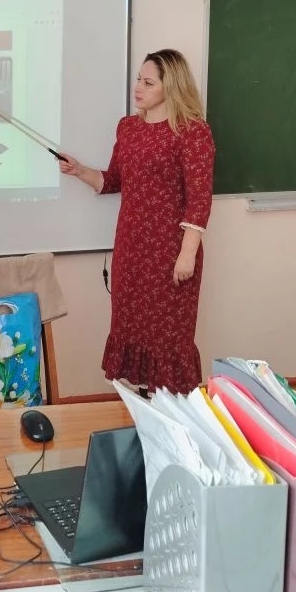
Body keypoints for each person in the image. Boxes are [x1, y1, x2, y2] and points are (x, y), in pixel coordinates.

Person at [60, 49, 215, 396]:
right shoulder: (128, 128)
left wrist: (187, 254)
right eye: (138, 80)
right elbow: (114, 180)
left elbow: (199, 199)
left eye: (148, 82)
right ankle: (143, 410)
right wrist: (79, 170)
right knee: (132, 331)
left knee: (168, 338)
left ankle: (171, 416)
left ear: (171, 86)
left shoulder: (193, 132)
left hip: (171, 252)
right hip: (131, 249)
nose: (138, 88)